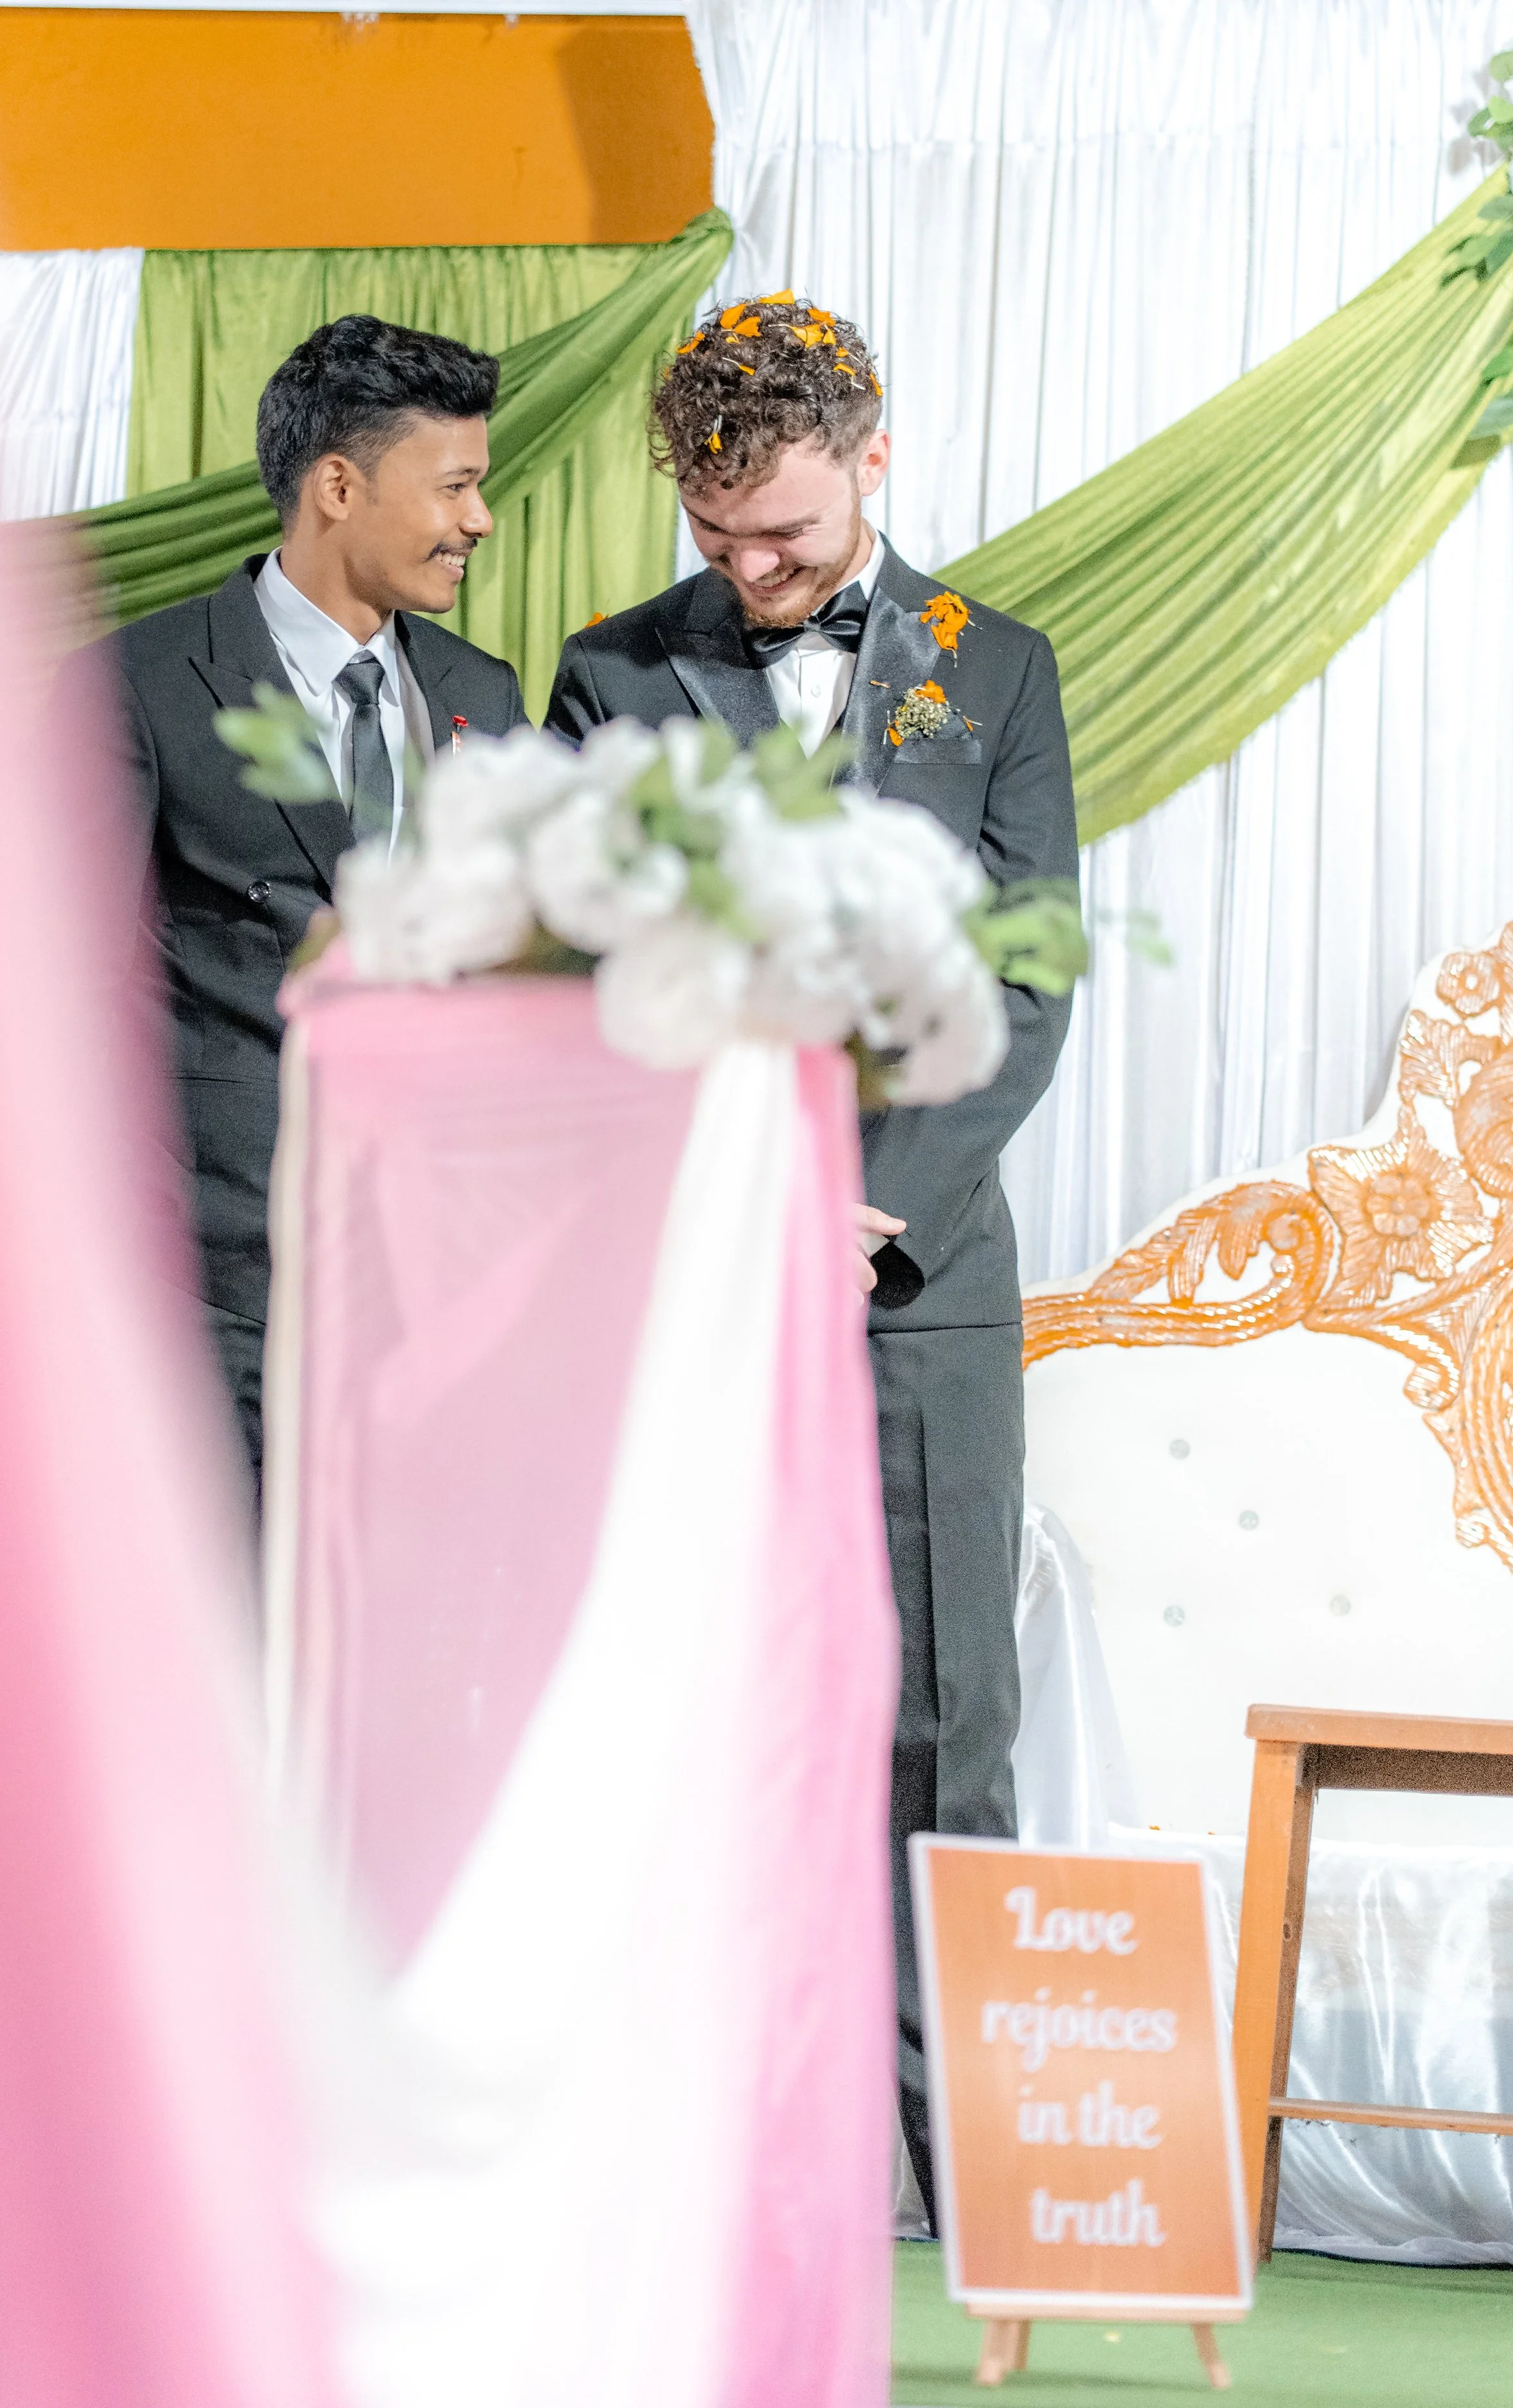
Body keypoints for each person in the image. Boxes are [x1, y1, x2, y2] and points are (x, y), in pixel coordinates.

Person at [545, 295, 1078, 2229]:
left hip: (922, 1274)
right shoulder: (609, 676)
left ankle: (961, 2174)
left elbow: (1026, 977)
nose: (755, 577)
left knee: (944, 1716)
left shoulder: (988, 666)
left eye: (784, 535)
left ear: (873, 456)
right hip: (689, 1260)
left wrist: (882, 1204)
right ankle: (724, 2150)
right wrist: (745, 1184)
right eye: (718, 543)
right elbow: (593, 978)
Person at [78, 316, 530, 1489]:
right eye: (456, 486)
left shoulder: (485, 694)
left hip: (439, 1303)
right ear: (340, 485)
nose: (479, 520)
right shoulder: (137, 684)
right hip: (215, 1300)